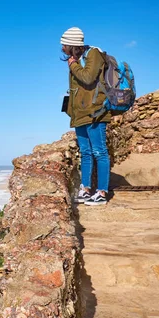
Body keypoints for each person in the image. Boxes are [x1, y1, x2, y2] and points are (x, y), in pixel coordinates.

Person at [61, 27, 111, 206]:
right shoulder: (78, 59)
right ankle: (86, 189)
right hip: (80, 114)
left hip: (96, 112)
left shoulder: (94, 54)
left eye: (65, 45)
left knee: (100, 151)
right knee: (86, 153)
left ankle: (102, 192)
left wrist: (73, 65)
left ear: (73, 45)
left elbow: (89, 78)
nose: (62, 49)